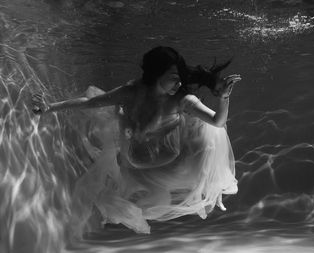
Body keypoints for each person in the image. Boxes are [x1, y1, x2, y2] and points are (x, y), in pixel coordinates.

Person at [32, 46, 241, 235]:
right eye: (173, 77)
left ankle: (132, 124)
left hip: (167, 160)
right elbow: (91, 102)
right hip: (136, 158)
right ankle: (128, 122)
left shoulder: (182, 99)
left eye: (180, 78)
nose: (178, 83)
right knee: (120, 116)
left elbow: (217, 121)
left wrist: (224, 97)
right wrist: (50, 107)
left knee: (205, 133)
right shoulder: (132, 91)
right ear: (155, 74)